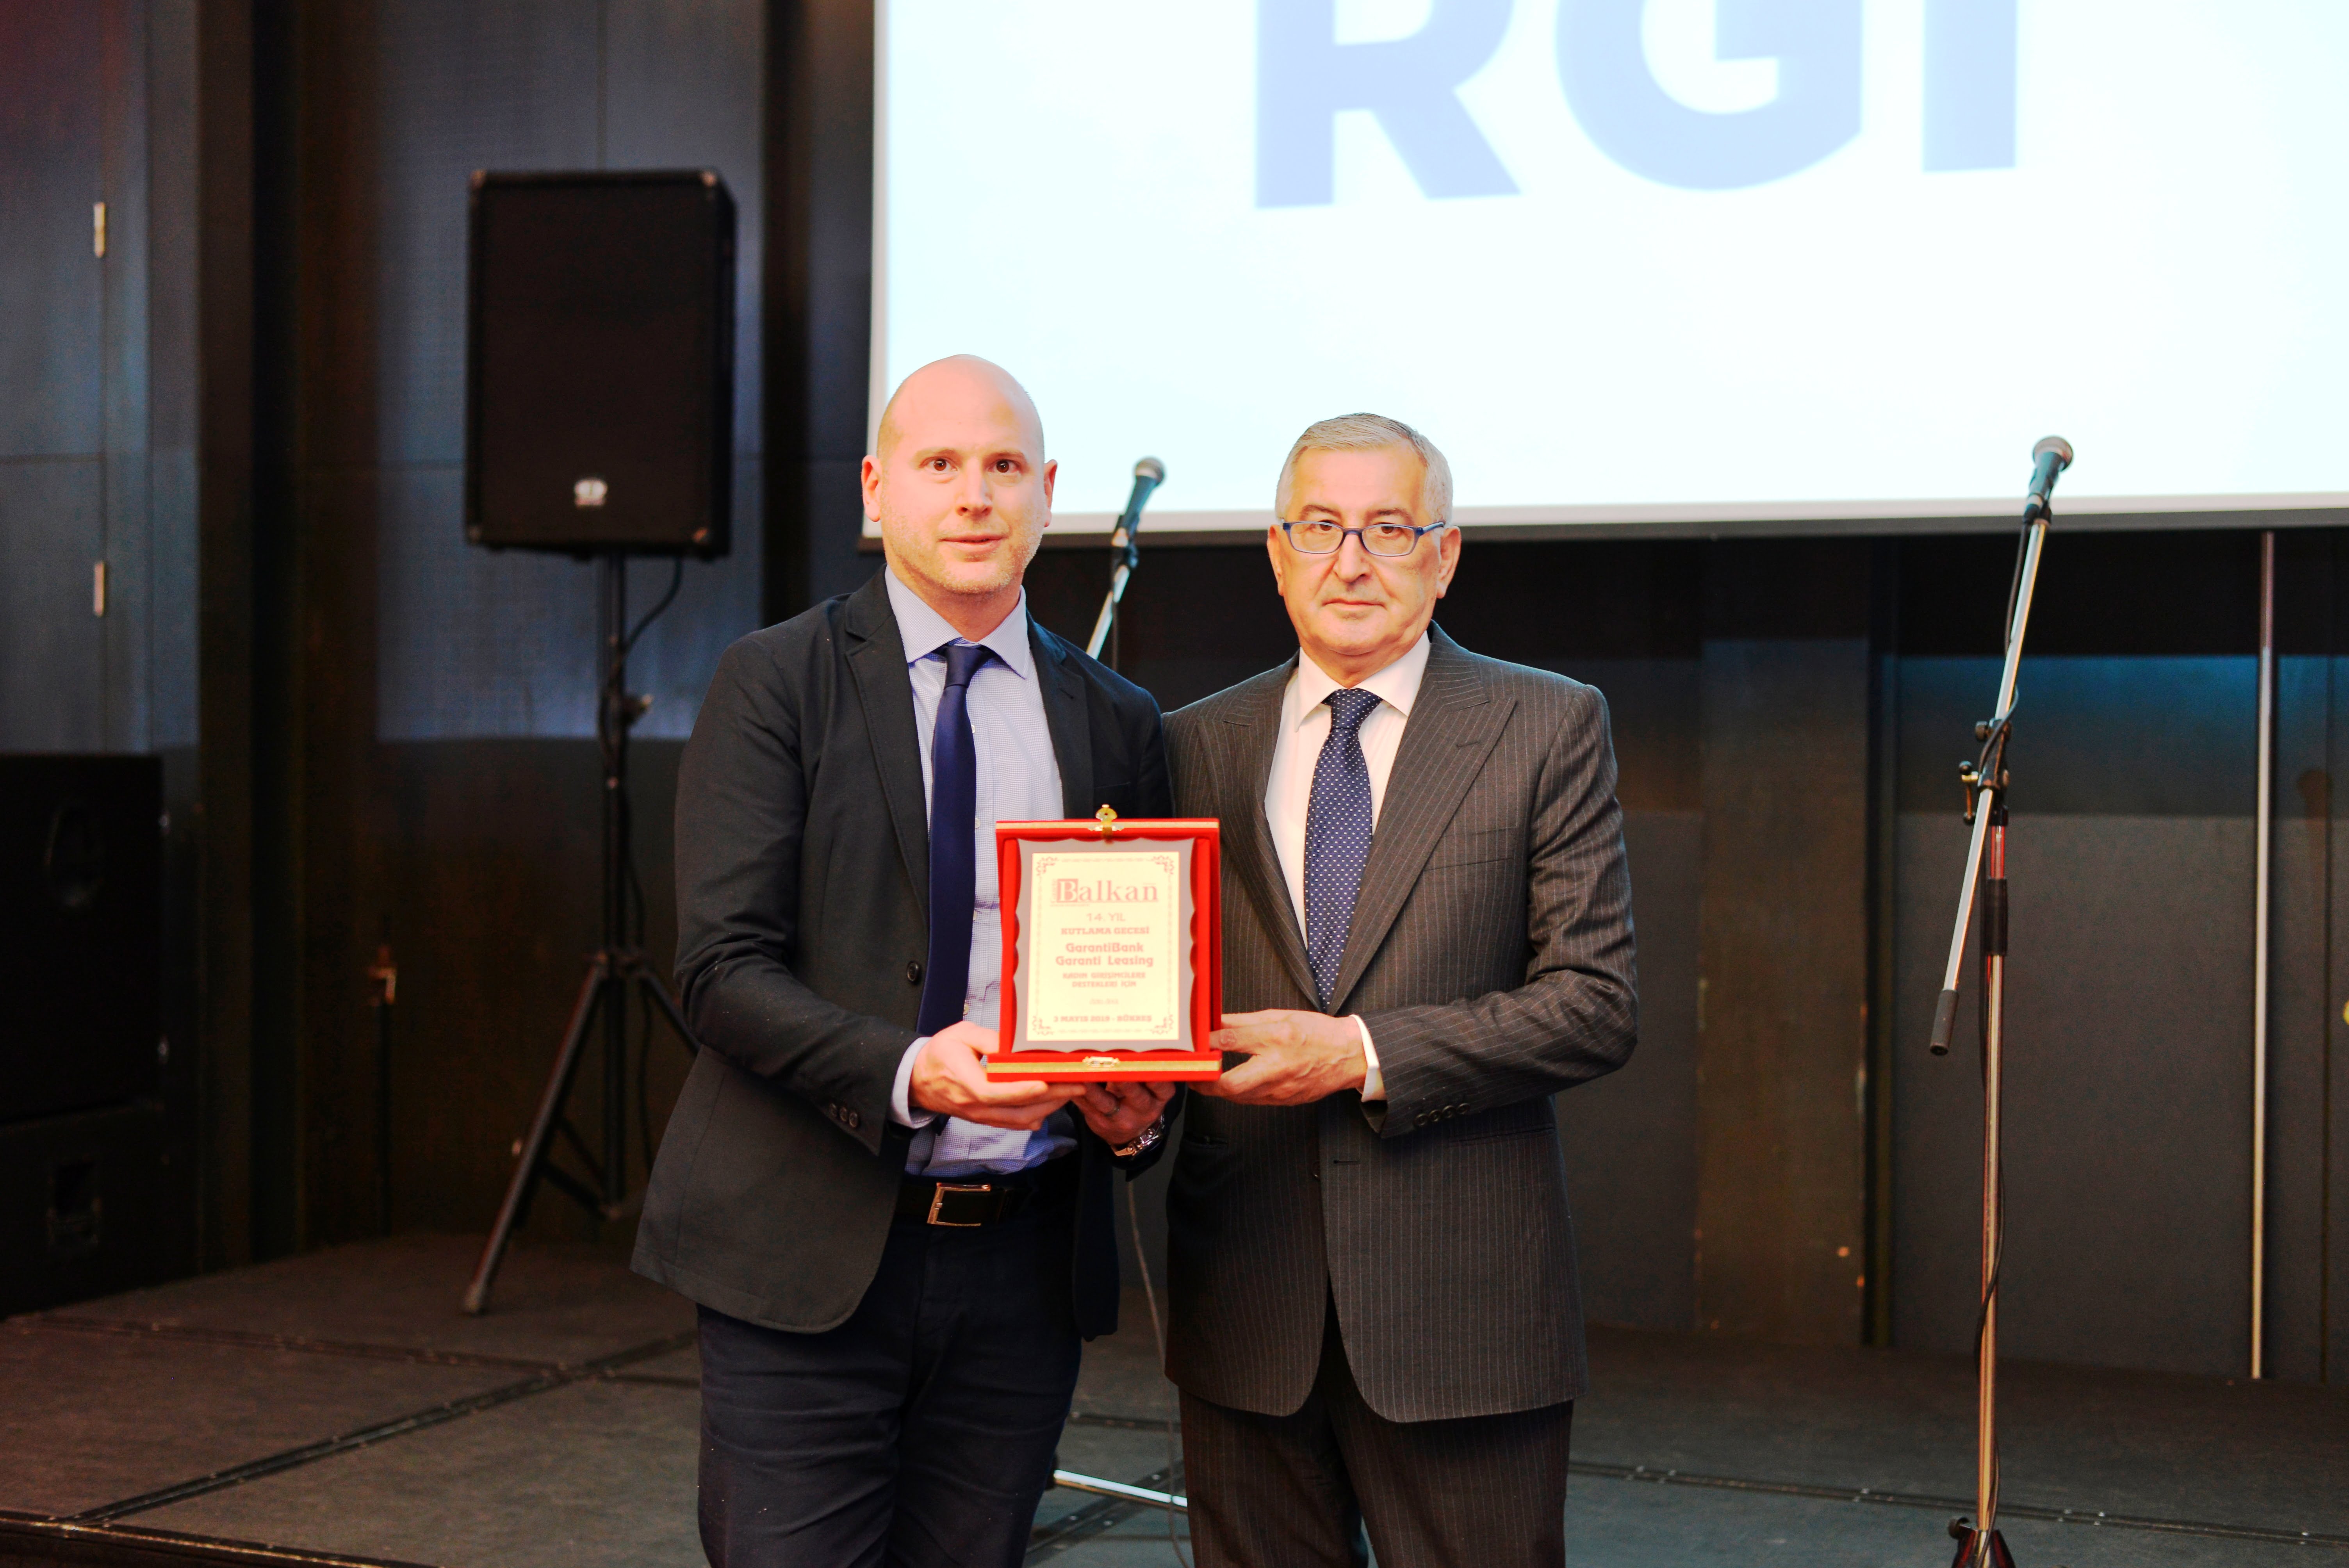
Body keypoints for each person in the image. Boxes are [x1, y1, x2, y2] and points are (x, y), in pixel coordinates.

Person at [634, 355, 1177, 1567]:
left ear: (1048, 492)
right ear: (879, 491)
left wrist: (1138, 1112)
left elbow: (1139, 987)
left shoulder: (1118, 720)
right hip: (806, 1252)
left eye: (1003, 466)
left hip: (1024, 1269)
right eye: (940, 464)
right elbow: (721, 970)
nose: (975, 495)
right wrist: (912, 1071)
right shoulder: (777, 681)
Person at [1162, 413, 1638, 1566]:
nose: (1351, 561)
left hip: (1460, 1314)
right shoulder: (1189, 744)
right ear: (1277, 553)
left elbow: (1594, 1001)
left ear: (1446, 554)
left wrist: (1361, 1053)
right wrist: (1126, 1099)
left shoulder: (1544, 724)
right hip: (1246, 1303)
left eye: (1388, 528)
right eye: (1320, 528)